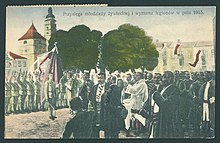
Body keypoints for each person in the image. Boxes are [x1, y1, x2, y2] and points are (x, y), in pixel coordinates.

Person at [152, 71, 183, 138]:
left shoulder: (174, 90)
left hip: (169, 121)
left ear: (171, 79)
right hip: (160, 118)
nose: (162, 80)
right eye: (163, 77)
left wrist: (156, 94)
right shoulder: (163, 88)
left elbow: (166, 105)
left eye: (165, 77)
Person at [88, 72, 109, 138]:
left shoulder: (108, 87)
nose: (100, 80)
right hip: (96, 109)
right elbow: (90, 97)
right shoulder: (94, 87)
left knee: (106, 127)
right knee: (95, 128)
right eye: (98, 78)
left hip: (105, 110)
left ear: (105, 78)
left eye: (101, 78)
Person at [199, 71, 215, 138]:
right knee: (204, 117)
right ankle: (205, 131)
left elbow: (214, 95)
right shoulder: (204, 84)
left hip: (210, 105)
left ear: (210, 76)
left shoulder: (213, 84)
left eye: (206, 76)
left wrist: (211, 101)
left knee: (210, 117)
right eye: (204, 76)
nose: (205, 77)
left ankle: (211, 132)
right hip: (204, 104)